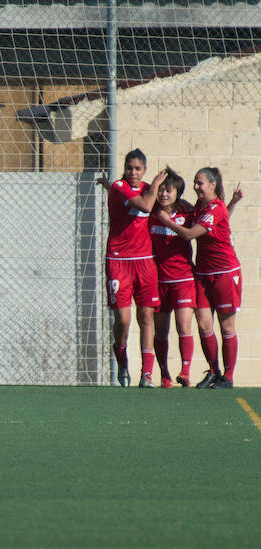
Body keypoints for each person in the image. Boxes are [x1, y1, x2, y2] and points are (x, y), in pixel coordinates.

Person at [154, 167, 243, 388]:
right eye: (194, 182)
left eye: (200, 183)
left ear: (212, 185)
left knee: (226, 327)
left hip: (224, 272)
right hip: (203, 274)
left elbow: (188, 234)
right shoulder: (199, 208)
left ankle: (228, 377)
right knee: (204, 325)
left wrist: (166, 220)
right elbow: (219, 221)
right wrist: (232, 203)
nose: (195, 186)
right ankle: (214, 370)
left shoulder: (214, 207)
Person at [95, 149, 166, 388]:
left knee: (146, 316)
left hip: (145, 261)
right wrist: (156, 184)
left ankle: (147, 374)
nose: (133, 172)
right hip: (119, 261)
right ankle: (121, 357)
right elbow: (145, 206)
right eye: (129, 167)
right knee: (123, 320)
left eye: (138, 168)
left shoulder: (143, 187)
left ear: (144, 169)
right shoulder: (120, 185)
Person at [148, 168, 195, 388]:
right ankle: (165, 374)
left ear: (178, 193)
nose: (164, 194)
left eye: (169, 190)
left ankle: (185, 371)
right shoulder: (151, 211)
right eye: (161, 189)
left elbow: (209, 222)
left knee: (183, 326)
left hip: (184, 279)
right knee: (161, 330)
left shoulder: (187, 211)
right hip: (159, 281)